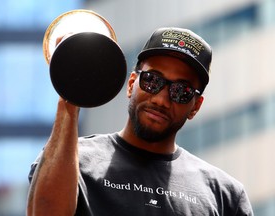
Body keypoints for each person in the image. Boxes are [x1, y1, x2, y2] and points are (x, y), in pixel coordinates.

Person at [27, 27, 254, 216]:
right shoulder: (73, 160)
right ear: (131, 84)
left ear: (195, 106)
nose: (161, 99)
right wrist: (71, 92)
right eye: (152, 80)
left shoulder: (225, 195)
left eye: (181, 91)